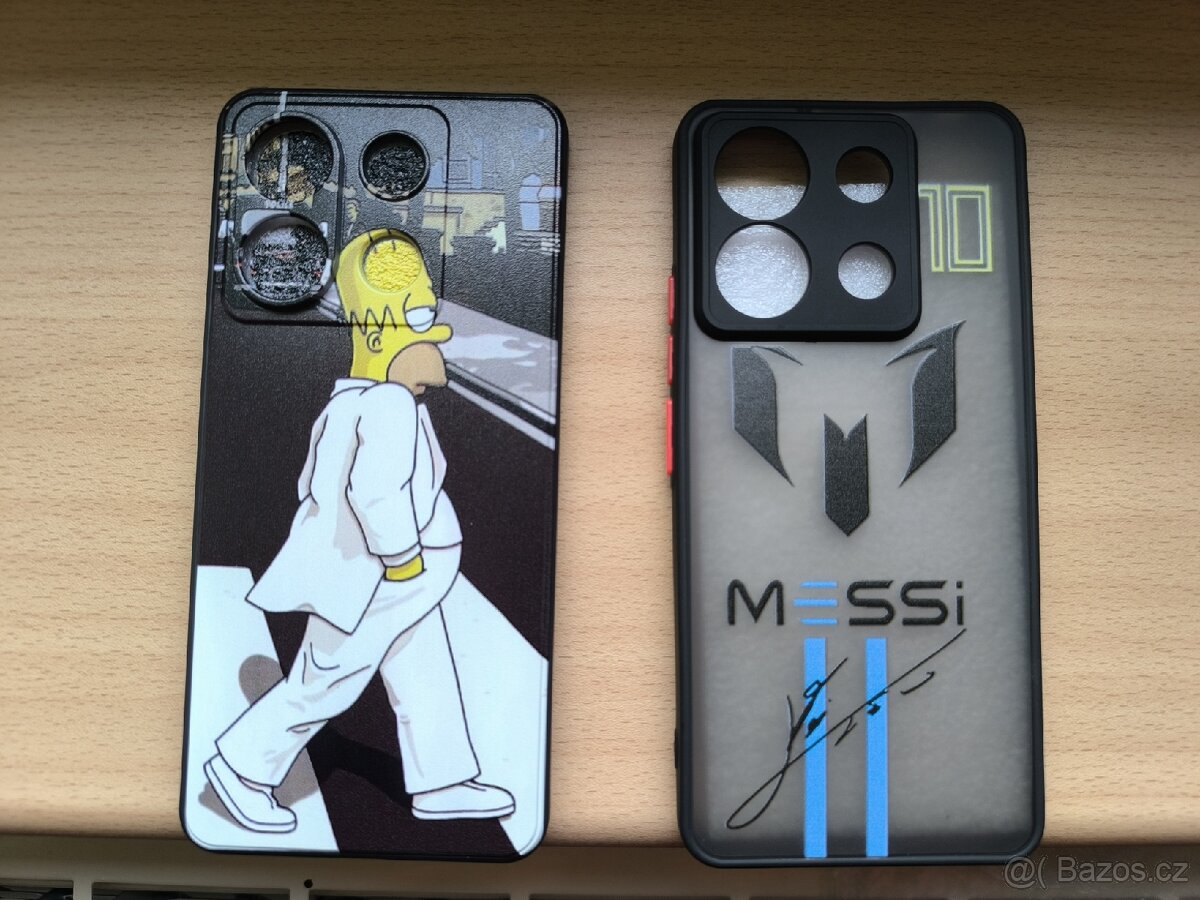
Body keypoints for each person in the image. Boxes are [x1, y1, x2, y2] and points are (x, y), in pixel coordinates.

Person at [204, 230, 513, 834]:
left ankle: (443, 781)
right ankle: (242, 769)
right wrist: (402, 559)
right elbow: (374, 495)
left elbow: (314, 484)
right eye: (426, 337)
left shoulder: (353, 403)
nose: (439, 354)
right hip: (383, 578)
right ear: (380, 339)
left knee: (422, 669)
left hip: (403, 580)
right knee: (326, 681)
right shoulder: (388, 407)